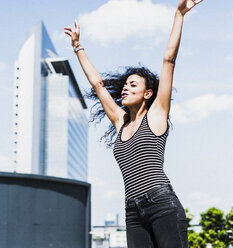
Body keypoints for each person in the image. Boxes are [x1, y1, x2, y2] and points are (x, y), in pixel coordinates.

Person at [65, 0, 203, 247]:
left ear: (148, 94)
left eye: (133, 85)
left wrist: (179, 15)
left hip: (162, 205)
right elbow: (98, 85)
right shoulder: (120, 121)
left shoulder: (157, 115)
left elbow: (168, 60)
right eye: (125, 85)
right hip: (133, 210)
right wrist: (78, 48)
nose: (125, 89)